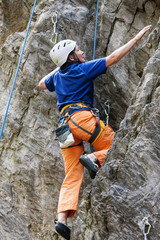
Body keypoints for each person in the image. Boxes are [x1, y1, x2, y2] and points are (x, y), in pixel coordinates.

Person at [39, 25, 152, 240]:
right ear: (71, 57)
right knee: (119, 147)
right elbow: (114, 58)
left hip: (64, 127)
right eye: (78, 51)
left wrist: (58, 66)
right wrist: (137, 36)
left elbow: (40, 84)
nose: (82, 53)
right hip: (81, 119)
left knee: (71, 173)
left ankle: (62, 219)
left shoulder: (57, 77)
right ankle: (94, 157)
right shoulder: (80, 69)